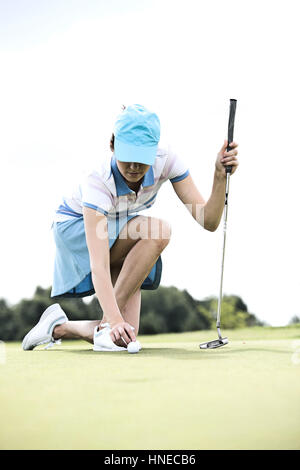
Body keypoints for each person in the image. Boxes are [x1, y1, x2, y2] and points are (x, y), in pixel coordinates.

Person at [22, 104, 239, 352]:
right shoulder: (98, 179)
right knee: (157, 230)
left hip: (116, 228)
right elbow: (99, 265)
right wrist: (113, 321)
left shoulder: (167, 160)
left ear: (154, 151)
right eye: (128, 157)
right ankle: (104, 326)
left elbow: (208, 221)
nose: (134, 167)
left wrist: (219, 175)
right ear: (113, 146)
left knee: (126, 337)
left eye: (142, 159)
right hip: (75, 228)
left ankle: (57, 327)